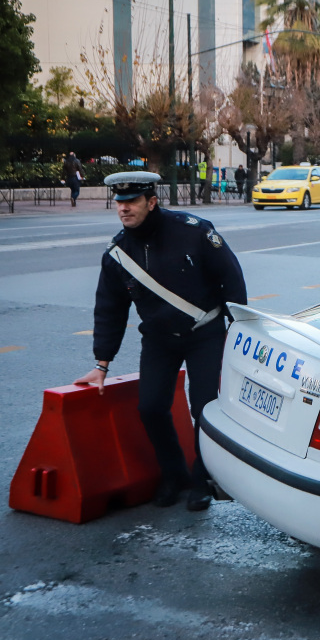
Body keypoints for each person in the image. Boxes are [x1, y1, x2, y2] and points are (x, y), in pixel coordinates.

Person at [74, 171, 248, 511]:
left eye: (131, 201)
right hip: (158, 338)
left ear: (152, 202)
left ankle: (202, 478)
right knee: (150, 408)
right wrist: (101, 363)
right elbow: (109, 309)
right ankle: (174, 475)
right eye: (119, 202)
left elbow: (231, 278)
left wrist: (237, 328)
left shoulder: (193, 232)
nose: (123, 209)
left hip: (205, 334)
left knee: (204, 409)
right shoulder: (117, 254)